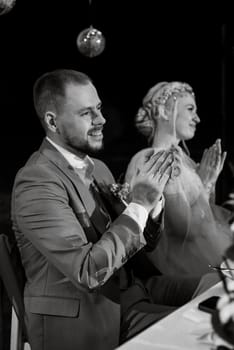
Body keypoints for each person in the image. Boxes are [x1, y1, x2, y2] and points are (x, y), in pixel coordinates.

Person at [11, 70, 218, 350]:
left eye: (99, 108)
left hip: (137, 291)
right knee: (206, 335)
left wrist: (153, 204)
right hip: (93, 316)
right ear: (52, 121)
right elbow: (87, 271)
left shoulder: (99, 168)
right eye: (87, 113)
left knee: (220, 285)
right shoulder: (36, 181)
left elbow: (142, 244)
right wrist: (140, 203)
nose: (102, 119)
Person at [125, 81, 233, 277]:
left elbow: (205, 219)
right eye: (190, 109)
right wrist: (204, 183)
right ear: (165, 112)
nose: (197, 119)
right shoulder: (151, 159)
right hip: (175, 272)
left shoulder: (186, 162)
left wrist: (207, 182)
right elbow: (185, 231)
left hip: (200, 258)